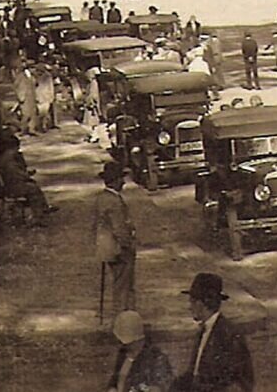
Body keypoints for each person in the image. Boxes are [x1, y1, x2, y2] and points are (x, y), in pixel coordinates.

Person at [170, 272, 254, 392]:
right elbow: (193, 373)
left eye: (192, 302)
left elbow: (239, 382)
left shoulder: (228, 334)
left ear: (201, 303)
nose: (190, 307)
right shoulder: (203, 331)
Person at [93, 161, 137, 317]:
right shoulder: (115, 201)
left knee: (119, 284)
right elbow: (119, 229)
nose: (124, 183)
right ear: (116, 180)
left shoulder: (101, 198)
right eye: (121, 179)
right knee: (124, 287)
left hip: (106, 249)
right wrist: (129, 246)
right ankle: (123, 318)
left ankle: (122, 317)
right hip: (119, 250)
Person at [106, 310, 174, 392]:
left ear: (138, 340)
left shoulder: (156, 359)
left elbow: (160, 386)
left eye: (128, 343)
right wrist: (112, 389)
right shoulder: (123, 355)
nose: (122, 345)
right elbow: (115, 380)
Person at [0, 132, 54, 219]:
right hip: (11, 187)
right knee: (33, 188)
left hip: (9, 185)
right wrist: (26, 175)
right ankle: (37, 215)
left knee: (33, 186)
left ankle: (43, 208)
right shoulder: (8, 160)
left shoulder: (4, 158)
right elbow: (16, 174)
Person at [14, 64, 41, 135]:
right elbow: (16, 86)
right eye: (33, 68)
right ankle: (22, 129)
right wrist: (20, 96)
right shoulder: (21, 76)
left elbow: (36, 84)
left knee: (33, 113)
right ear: (29, 68)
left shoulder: (32, 76)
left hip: (32, 96)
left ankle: (32, 129)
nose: (34, 70)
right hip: (24, 97)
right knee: (25, 114)